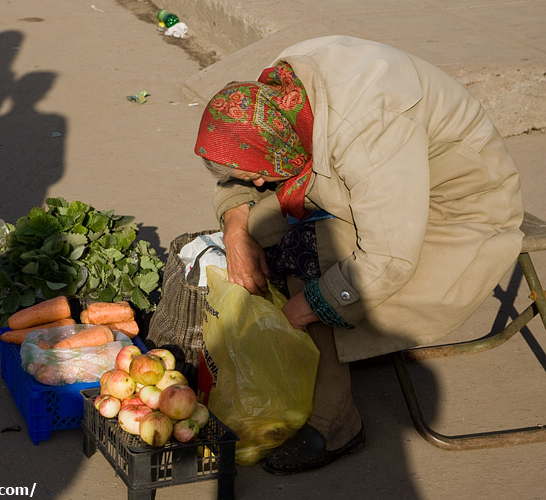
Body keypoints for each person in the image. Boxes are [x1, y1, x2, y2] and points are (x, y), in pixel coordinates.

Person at [193, 35, 523, 474]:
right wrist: (237, 233)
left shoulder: (369, 129)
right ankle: (305, 364)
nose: (256, 183)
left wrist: (304, 309)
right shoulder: (277, 95)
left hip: (456, 212)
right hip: (372, 186)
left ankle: (335, 423)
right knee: (249, 234)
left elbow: (388, 258)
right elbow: (243, 173)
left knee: (307, 258)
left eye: (256, 175)